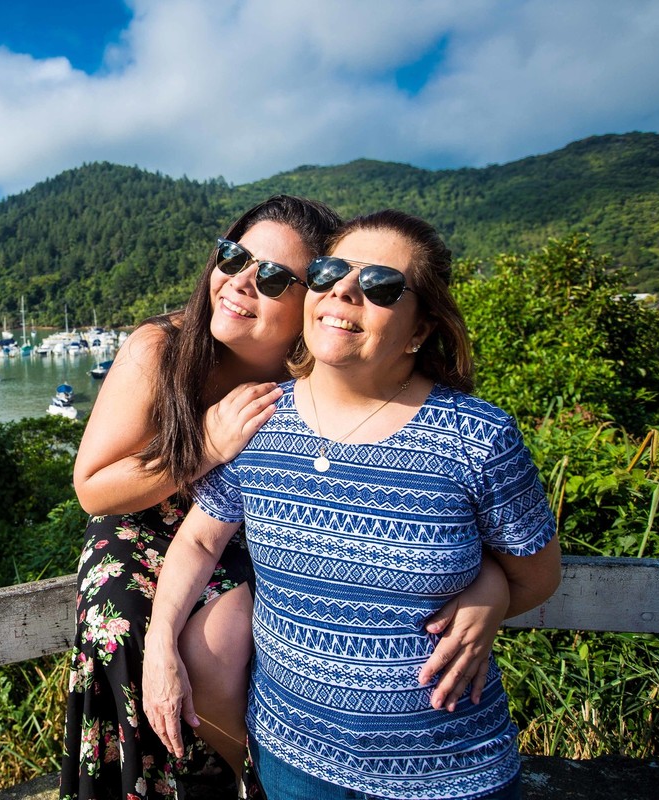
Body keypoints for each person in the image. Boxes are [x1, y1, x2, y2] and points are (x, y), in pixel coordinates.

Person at [60, 198, 513, 800]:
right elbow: (93, 486)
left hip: (259, 534)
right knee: (122, 624)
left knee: (243, 639)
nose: (241, 281)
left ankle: (254, 777)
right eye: (232, 257)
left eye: (274, 277)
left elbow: (422, 514)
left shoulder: (324, 366)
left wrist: (491, 588)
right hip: (148, 522)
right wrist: (206, 446)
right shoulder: (164, 348)